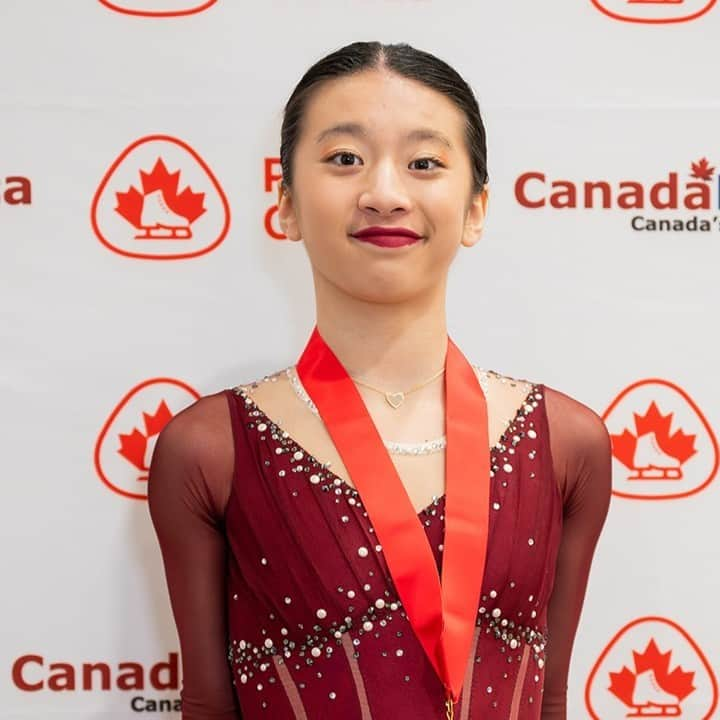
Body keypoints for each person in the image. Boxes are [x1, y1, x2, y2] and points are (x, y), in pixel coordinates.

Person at [147, 41, 612, 720]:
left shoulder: (566, 443)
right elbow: (208, 705)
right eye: (344, 160)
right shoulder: (210, 449)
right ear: (287, 205)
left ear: (476, 208)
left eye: (424, 162)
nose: (385, 193)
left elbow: (546, 701)